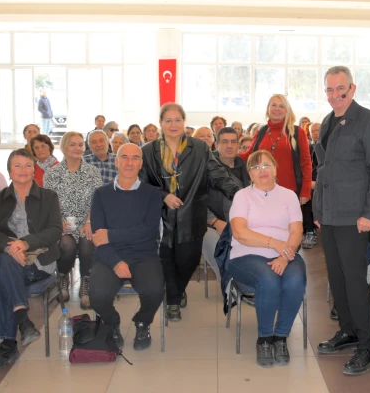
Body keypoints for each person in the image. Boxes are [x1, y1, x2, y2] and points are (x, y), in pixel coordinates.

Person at [313, 65, 370, 375]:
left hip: (354, 217)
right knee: (337, 277)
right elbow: (324, 171)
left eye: (340, 89)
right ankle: (348, 330)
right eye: (329, 90)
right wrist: (317, 211)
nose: (335, 95)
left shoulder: (369, 122)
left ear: (352, 88)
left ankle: (367, 347)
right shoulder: (327, 122)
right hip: (329, 216)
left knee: (355, 281)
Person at [140, 103, 239, 322]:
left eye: (177, 120)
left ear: (184, 122)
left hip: (192, 216)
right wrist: (163, 195)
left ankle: (177, 290)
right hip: (160, 218)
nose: (173, 125)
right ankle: (173, 300)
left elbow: (217, 174)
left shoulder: (200, 148)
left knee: (188, 260)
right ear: (161, 124)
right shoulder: (148, 151)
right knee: (165, 259)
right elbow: (142, 184)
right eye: (168, 120)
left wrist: (240, 193)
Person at [0, 149, 63, 371]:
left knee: (6, 278)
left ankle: (8, 346)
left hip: (37, 262)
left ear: (34, 169)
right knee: (7, 265)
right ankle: (23, 322)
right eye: (17, 165)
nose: (23, 170)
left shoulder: (49, 197)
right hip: (4, 257)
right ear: (9, 170)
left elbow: (55, 230)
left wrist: (25, 243)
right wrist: (10, 246)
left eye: (28, 165)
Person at [227, 150, 306, 367]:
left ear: (275, 168)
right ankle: (264, 339)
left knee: (295, 280)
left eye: (266, 165)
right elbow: (240, 233)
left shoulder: (289, 195)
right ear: (249, 174)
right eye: (256, 167)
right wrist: (275, 244)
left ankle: (280, 338)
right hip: (246, 254)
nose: (262, 171)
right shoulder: (242, 196)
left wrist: (284, 253)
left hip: (286, 253)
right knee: (269, 280)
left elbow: (297, 231)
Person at [88, 143, 165, 351]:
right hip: (108, 256)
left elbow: (148, 231)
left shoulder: (152, 194)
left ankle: (142, 322)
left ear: (141, 163)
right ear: (116, 161)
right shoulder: (101, 194)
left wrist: (111, 235)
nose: (129, 163)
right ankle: (112, 323)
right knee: (97, 295)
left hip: (144, 255)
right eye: (124, 157)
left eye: (135, 158)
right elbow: (98, 237)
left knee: (155, 290)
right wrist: (115, 261)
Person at [44, 132, 103, 309]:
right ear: (63, 148)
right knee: (66, 244)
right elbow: (47, 203)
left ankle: (86, 281)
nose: (77, 148)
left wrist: (89, 222)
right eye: (72, 144)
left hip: (87, 221)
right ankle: (62, 276)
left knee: (88, 240)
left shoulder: (92, 172)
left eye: (79, 144)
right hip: (61, 224)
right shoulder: (52, 173)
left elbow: (98, 201)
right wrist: (58, 222)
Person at [205, 128, 251, 273]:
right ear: (216, 144)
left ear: (238, 144)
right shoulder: (204, 168)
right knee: (215, 242)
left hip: (245, 224)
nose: (229, 146)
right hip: (212, 224)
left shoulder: (247, 168)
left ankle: (248, 280)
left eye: (233, 142)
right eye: (224, 142)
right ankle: (228, 284)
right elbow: (195, 201)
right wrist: (214, 222)